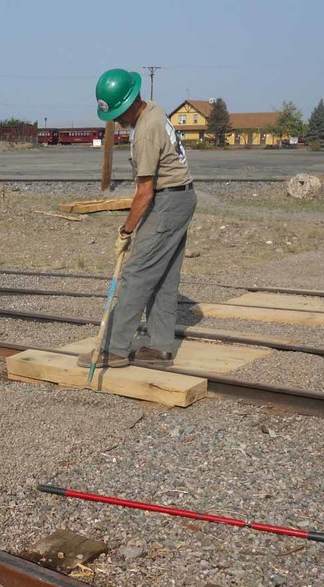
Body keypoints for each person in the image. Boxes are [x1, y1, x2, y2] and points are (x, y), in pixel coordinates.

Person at [78, 68, 196, 368]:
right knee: (164, 277)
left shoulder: (145, 131)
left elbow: (144, 192)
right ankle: (160, 347)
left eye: (119, 113)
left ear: (132, 102)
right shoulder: (153, 109)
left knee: (136, 275)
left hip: (167, 201)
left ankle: (113, 348)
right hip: (181, 197)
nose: (117, 120)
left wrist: (126, 230)